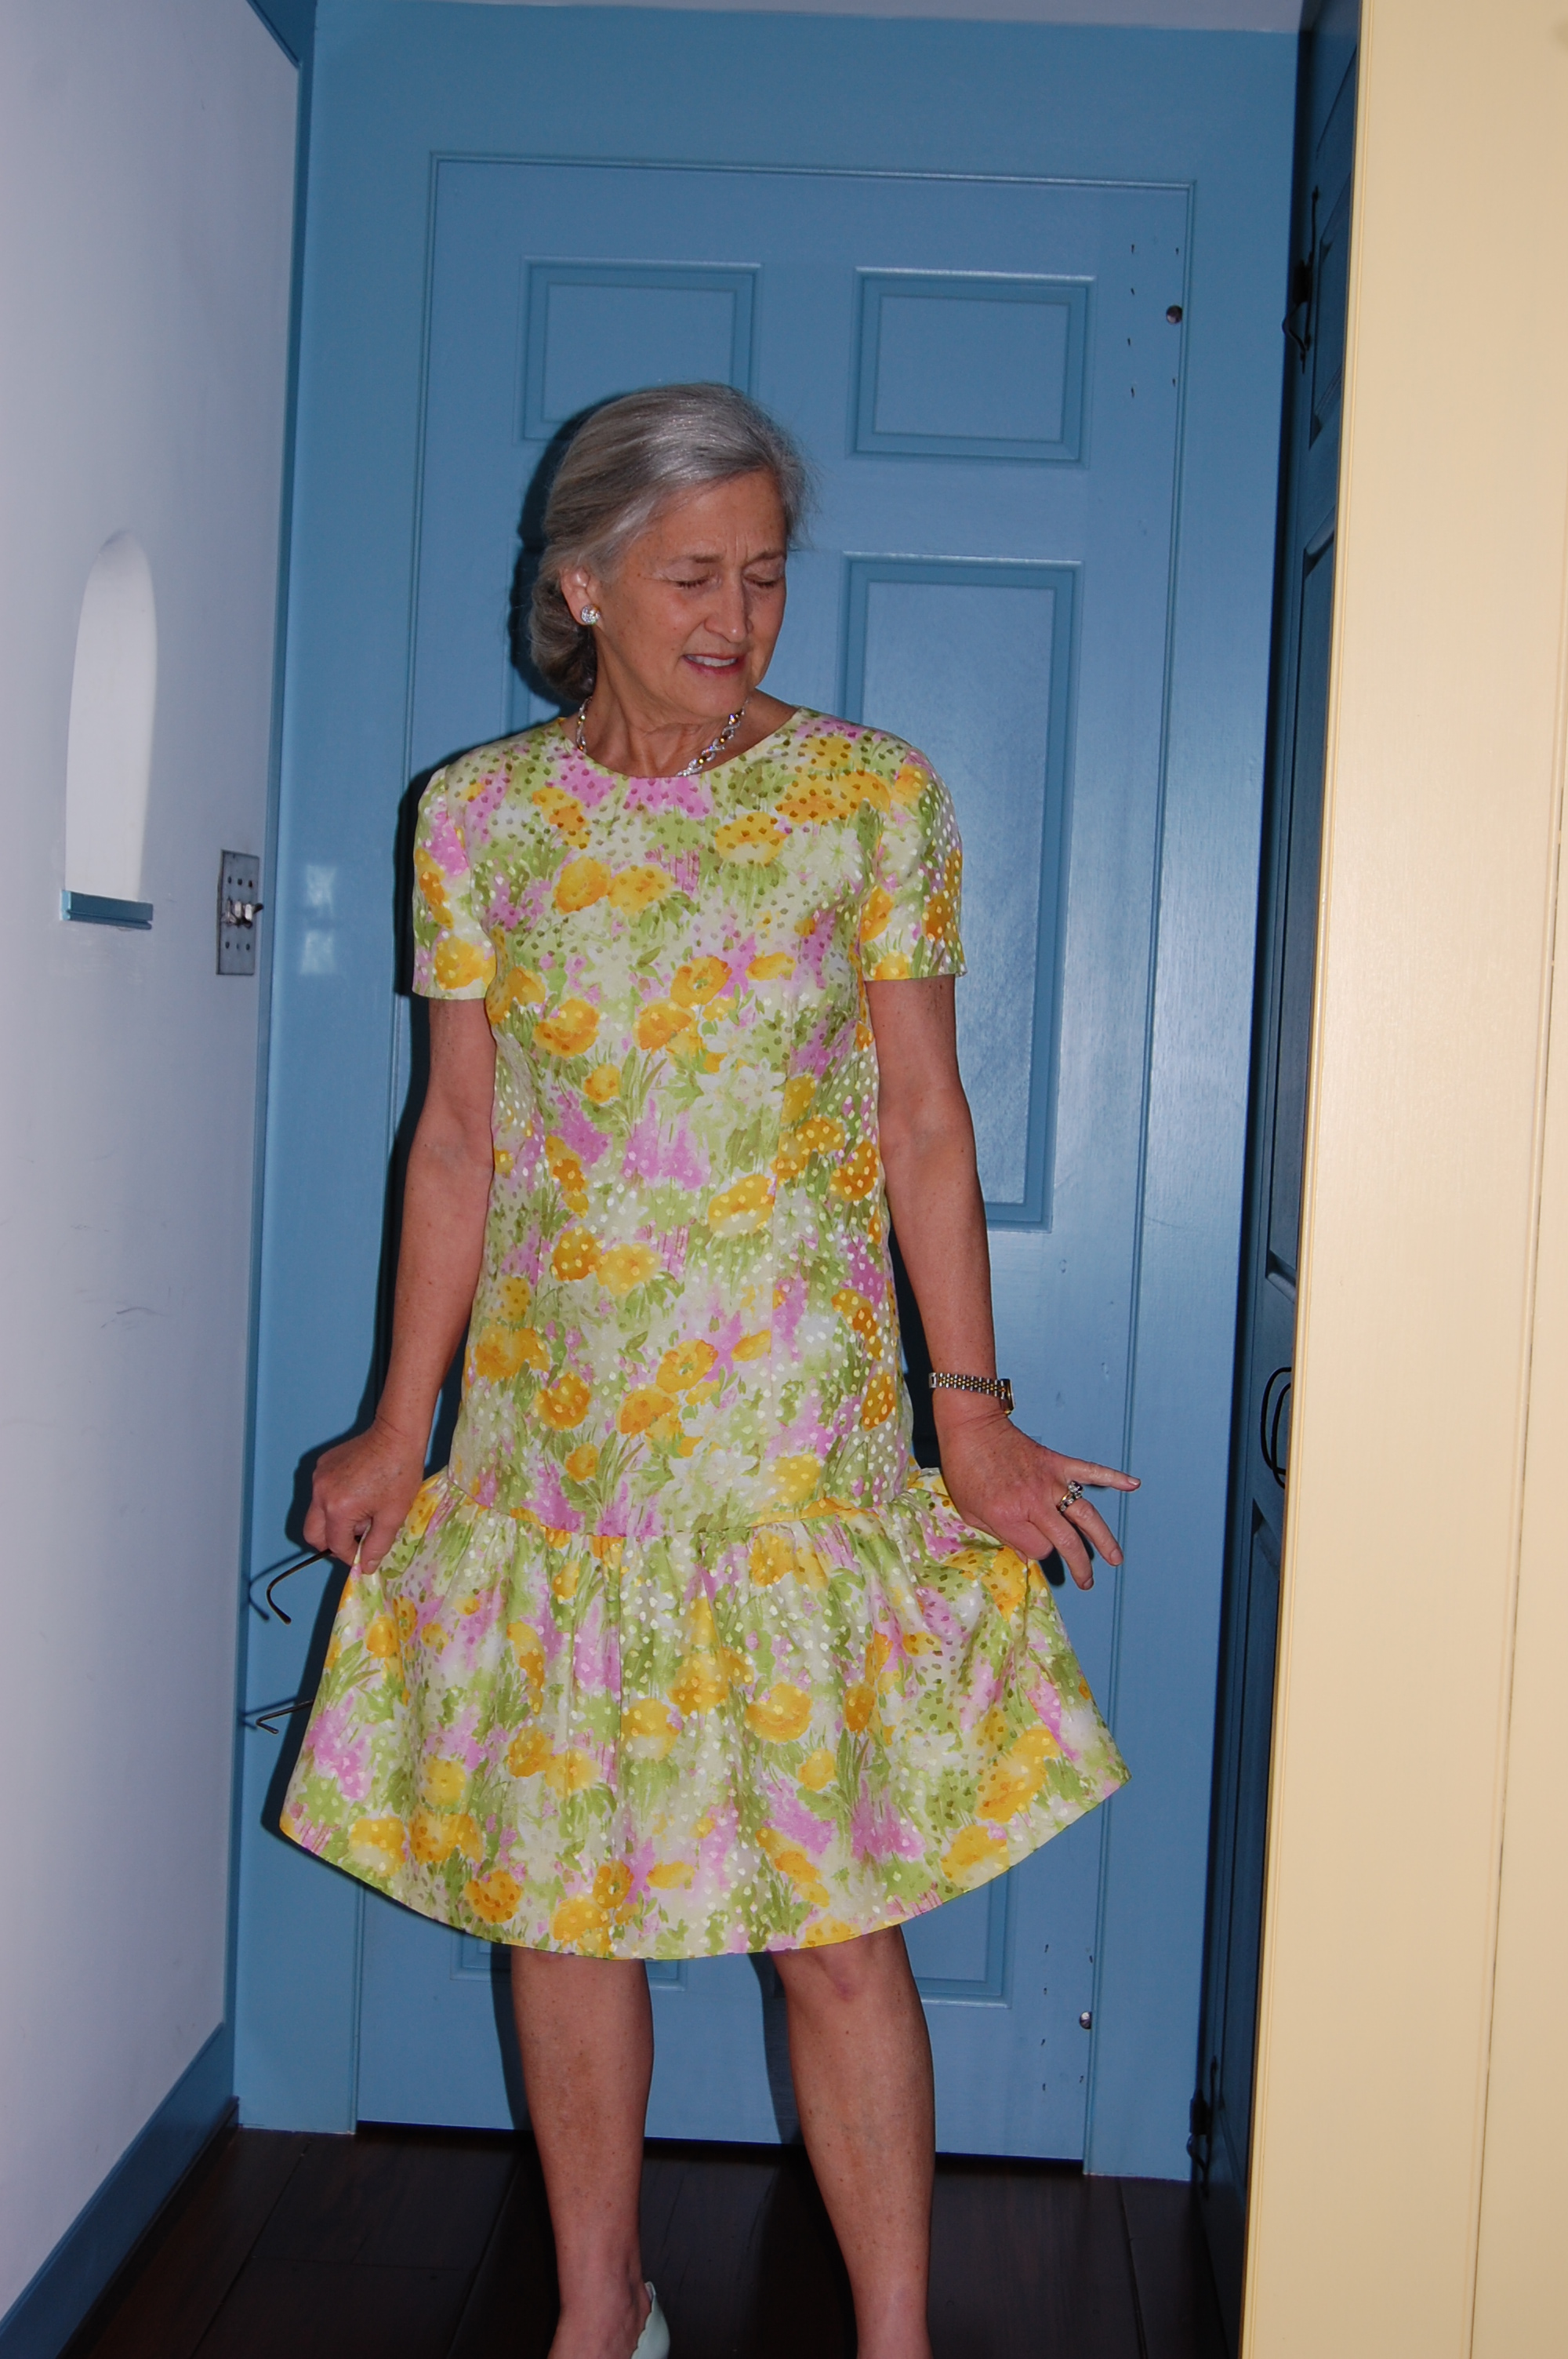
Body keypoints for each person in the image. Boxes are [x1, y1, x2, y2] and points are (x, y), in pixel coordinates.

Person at [283, 383, 1134, 2359]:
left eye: (762, 573)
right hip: (557, 1454)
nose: (734, 616)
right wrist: (401, 1422)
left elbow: (924, 1122)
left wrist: (970, 1412)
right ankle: (603, 2309)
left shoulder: (866, 798)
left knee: (834, 1924)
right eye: (689, 576)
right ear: (580, 583)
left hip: (790, 1454)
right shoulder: (480, 818)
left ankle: (895, 2337)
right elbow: (457, 1140)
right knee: (564, 1905)